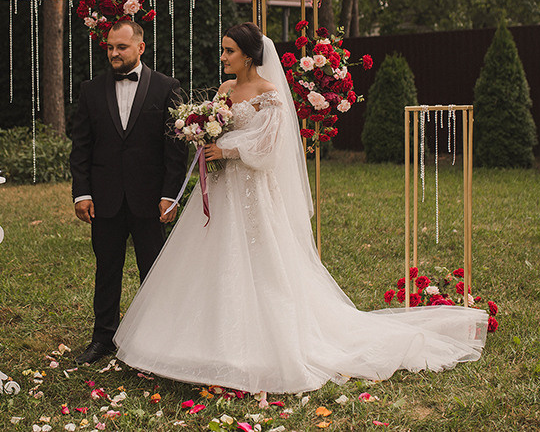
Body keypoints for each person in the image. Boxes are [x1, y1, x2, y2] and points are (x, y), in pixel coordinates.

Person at [114, 22, 487, 394]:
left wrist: (225, 150)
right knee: (207, 260)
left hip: (253, 192)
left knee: (261, 263)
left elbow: (269, 148)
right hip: (222, 188)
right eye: (223, 50)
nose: (224, 57)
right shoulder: (225, 90)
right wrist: (202, 136)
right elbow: (219, 128)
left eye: (229, 51)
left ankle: (264, 342)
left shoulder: (270, 94)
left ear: (248, 55)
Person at [69, 20, 187, 365]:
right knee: (107, 270)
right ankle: (103, 338)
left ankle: (158, 339)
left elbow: (175, 150)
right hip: (104, 199)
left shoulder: (167, 88)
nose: (114, 53)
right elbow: (81, 147)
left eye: (121, 47)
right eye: (109, 47)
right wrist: (81, 193)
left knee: (153, 271)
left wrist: (171, 195)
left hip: (151, 200)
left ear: (140, 47)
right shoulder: (91, 89)